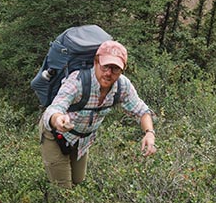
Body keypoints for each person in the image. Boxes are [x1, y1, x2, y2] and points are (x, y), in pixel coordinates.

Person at [40, 40, 156, 189]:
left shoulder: (122, 85)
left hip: (82, 140)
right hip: (54, 135)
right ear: (96, 62)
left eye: (115, 69)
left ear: (123, 70)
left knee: (78, 182)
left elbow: (142, 111)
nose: (108, 73)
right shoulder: (78, 81)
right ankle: (48, 202)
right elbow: (55, 107)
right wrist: (58, 119)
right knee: (63, 189)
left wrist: (149, 133)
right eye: (105, 66)